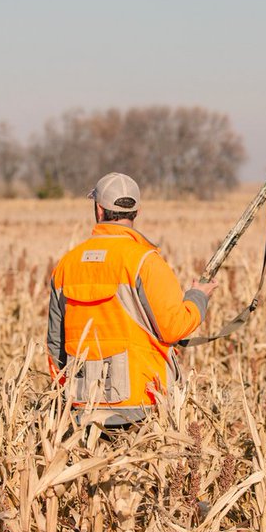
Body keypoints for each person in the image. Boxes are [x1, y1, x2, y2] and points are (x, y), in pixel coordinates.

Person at [47, 172, 217, 427]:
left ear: (98, 209)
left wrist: (67, 396)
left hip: (82, 406)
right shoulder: (145, 262)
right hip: (142, 403)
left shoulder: (67, 264)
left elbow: (55, 344)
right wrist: (198, 298)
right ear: (136, 212)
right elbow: (173, 328)